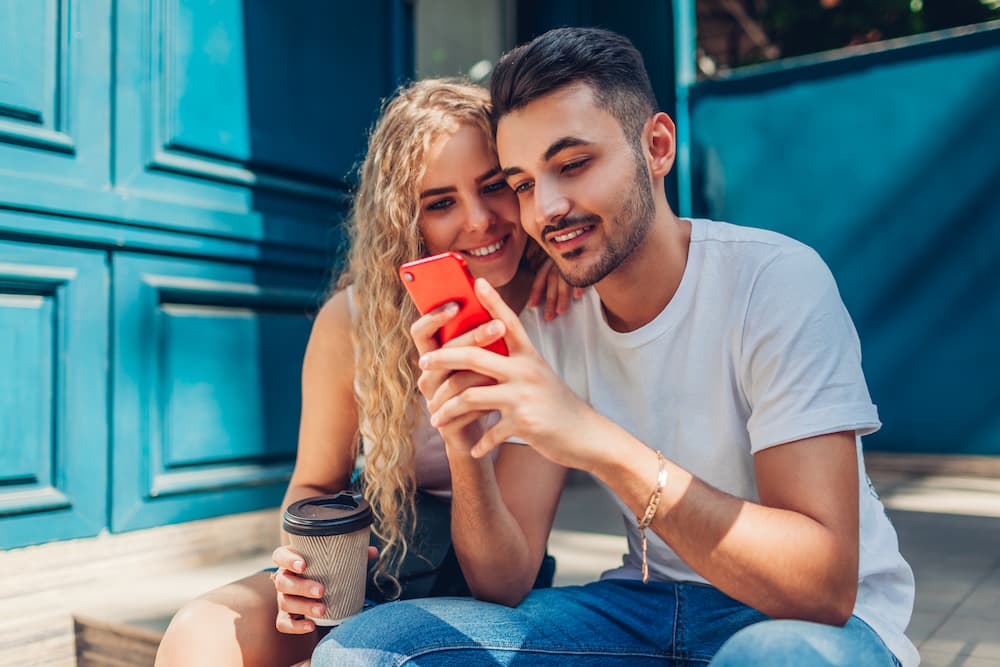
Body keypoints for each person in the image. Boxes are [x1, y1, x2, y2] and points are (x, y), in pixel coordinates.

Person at [312, 27, 918, 667]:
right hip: (641, 610)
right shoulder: (552, 318)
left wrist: (593, 439)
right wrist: (464, 446)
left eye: (572, 165)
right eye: (521, 183)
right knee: (368, 652)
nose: (545, 209)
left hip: (805, 623)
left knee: (775, 658)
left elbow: (820, 588)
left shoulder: (773, 280)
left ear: (656, 146)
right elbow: (505, 581)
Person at [154, 78, 578, 667]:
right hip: (373, 556)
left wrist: (462, 434)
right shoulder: (354, 321)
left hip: (487, 584)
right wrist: (305, 570)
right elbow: (315, 482)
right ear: (407, 222)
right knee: (198, 633)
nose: (479, 220)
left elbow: (502, 582)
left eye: (493, 186)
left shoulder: (559, 318)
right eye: (440, 202)